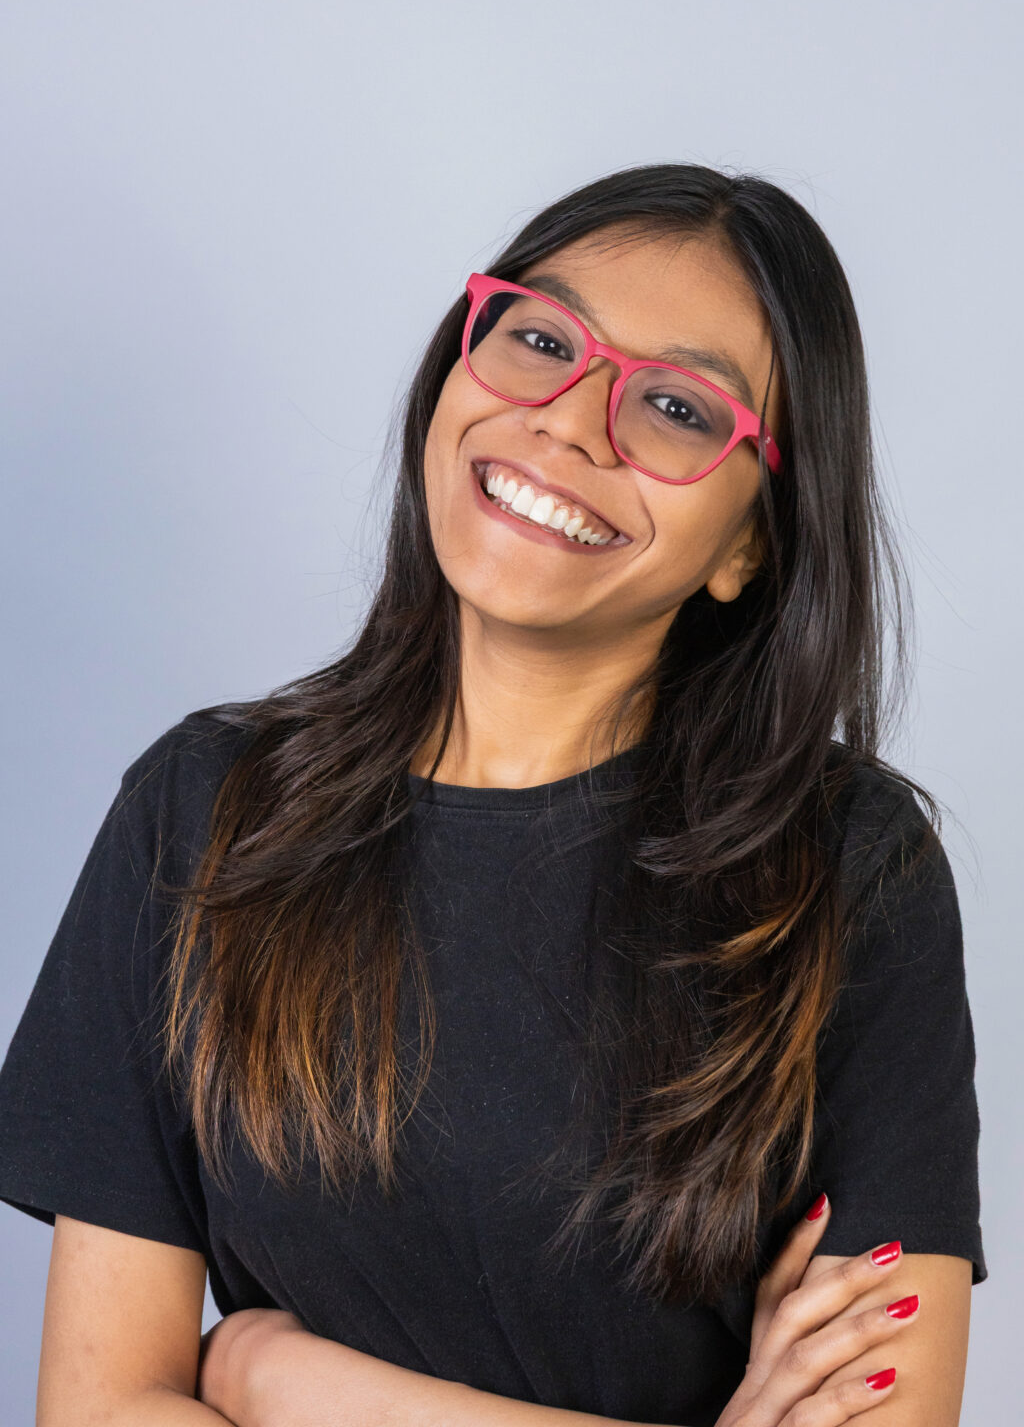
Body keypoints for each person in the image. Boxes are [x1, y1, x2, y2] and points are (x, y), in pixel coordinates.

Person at [0, 163, 985, 1426]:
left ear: (751, 542)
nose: (569, 423)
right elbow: (100, 1408)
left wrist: (282, 1382)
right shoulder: (205, 812)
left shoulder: (845, 869)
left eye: (676, 409)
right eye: (541, 339)